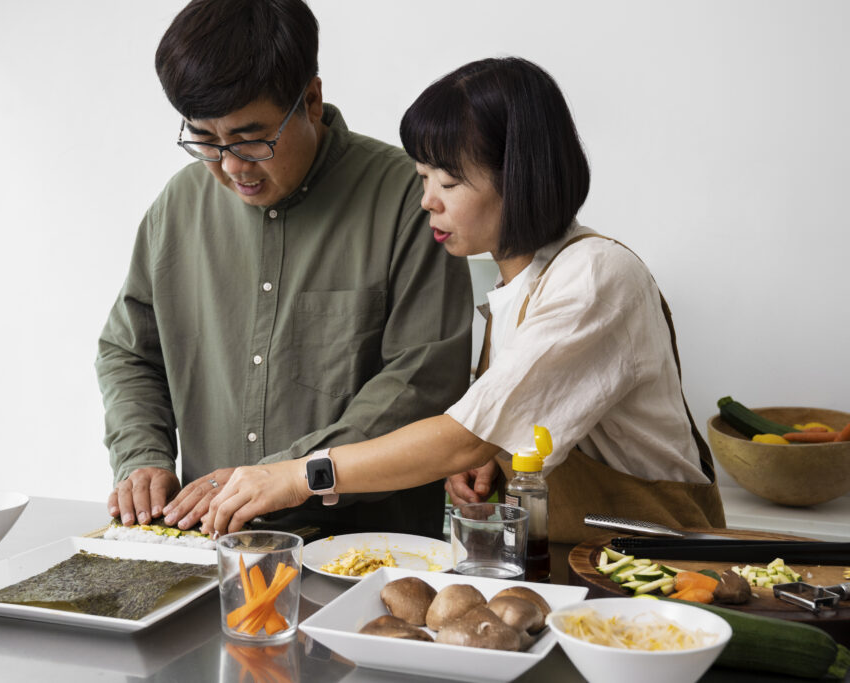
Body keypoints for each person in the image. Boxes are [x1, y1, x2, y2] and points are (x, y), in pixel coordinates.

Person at [203, 57, 727, 543]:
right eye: (423, 178)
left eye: (449, 181)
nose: (427, 200)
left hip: (664, 564)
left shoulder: (594, 276)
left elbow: (463, 438)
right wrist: (494, 456)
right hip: (590, 558)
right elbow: (509, 429)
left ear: (518, 179)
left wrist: (300, 475)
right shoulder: (515, 287)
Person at [95, 0, 473, 539]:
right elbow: (129, 351)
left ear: (311, 100)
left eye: (251, 138)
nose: (229, 166)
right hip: (211, 548)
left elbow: (422, 384)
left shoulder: (409, 201)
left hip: (367, 558)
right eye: (203, 138)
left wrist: (286, 473)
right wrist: (142, 456)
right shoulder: (179, 205)